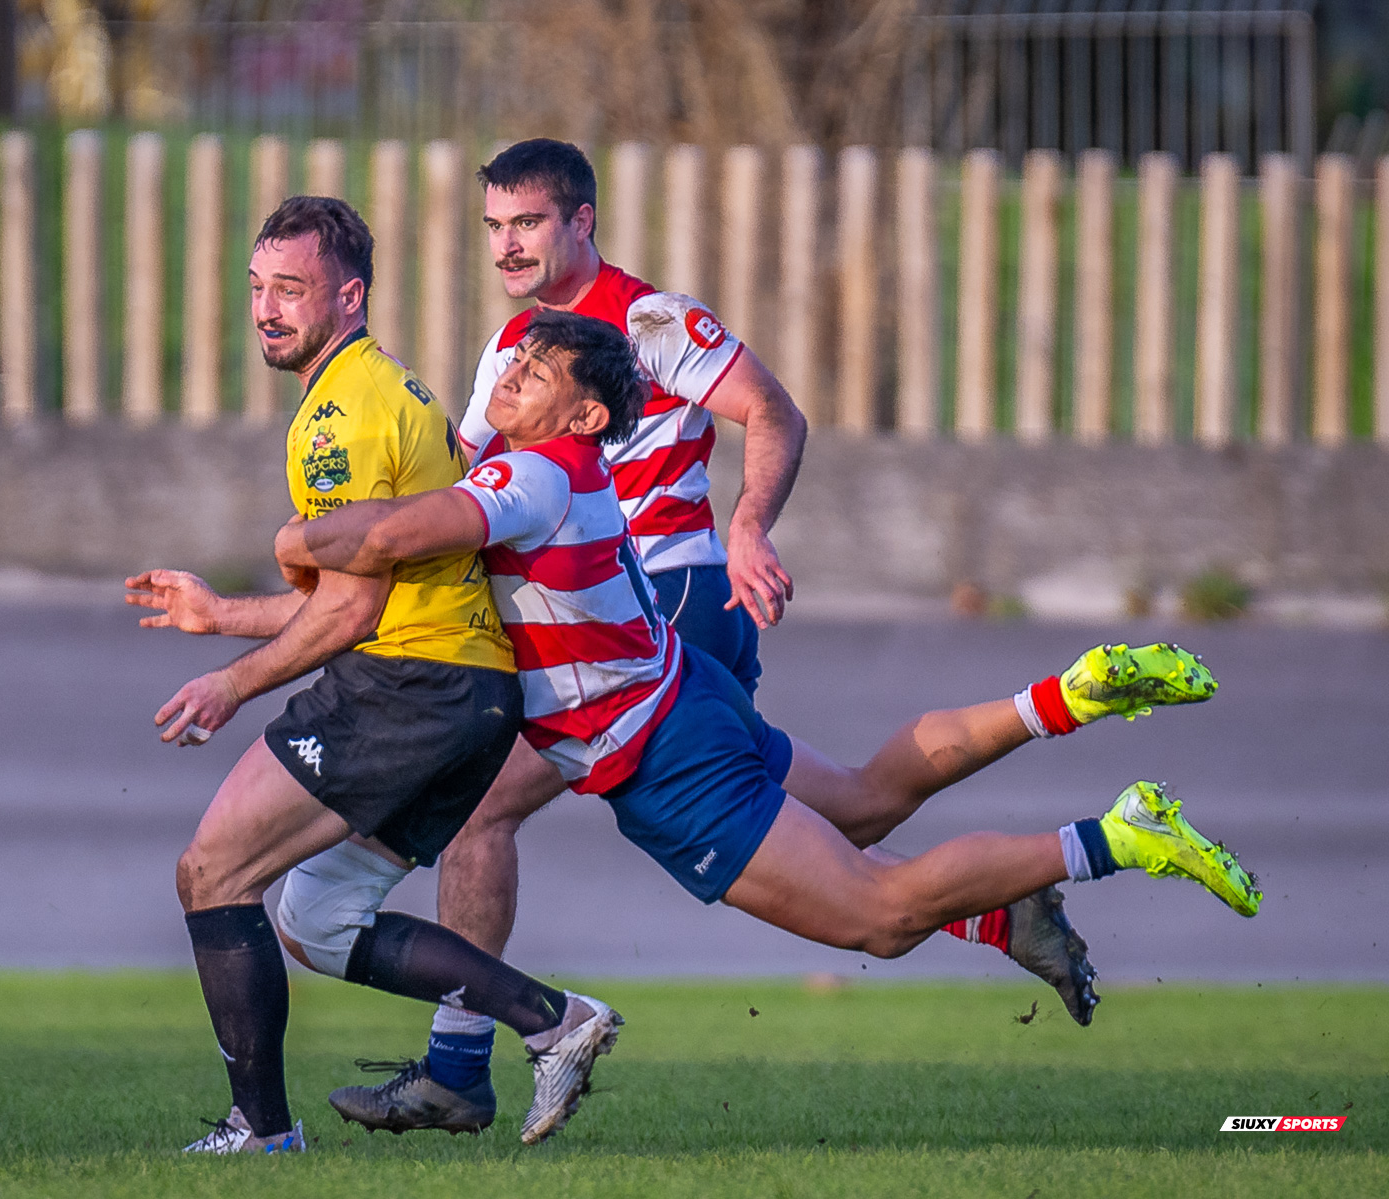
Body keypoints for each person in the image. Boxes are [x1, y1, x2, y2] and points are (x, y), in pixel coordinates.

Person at [276, 310, 1260, 1134]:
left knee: (880, 914)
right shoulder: (548, 469)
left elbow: (396, 535)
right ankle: (1066, 696)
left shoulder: (531, 477)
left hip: (668, 760)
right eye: (519, 358)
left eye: (540, 369)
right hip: (690, 704)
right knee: (870, 802)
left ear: (582, 412)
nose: (514, 370)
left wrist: (295, 537)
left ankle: (1114, 835)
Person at [322, 139, 1094, 1136]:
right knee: (843, 814)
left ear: (582, 221)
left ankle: (458, 1067)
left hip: (669, 598)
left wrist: (748, 524)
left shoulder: (648, 319)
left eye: (528, 224)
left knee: (478, 812)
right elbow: (468, 487)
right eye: (496, 228)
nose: (508, 246)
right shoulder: (516, 352)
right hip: (617, 608)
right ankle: (1000, 904)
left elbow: (772, 413)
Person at [124, 197, 620, 1154]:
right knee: (317, 916)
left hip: (408, 685)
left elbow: (352, 611)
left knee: (212, 872)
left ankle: (260, 1132)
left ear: (348, 296)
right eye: (259, 288)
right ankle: (553, 1019)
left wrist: (232, 680)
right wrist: (222, 612)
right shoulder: (378, 389)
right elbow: (369, 589)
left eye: (292, 290)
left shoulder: (338, 418)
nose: (267, 309)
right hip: (464, 693)